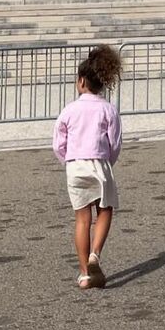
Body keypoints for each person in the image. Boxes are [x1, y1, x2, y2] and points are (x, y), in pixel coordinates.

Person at [52, 46, 124, 291]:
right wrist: (108, 161)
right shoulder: (108, 109)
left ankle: (84, 274)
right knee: (105, 209)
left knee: (82, 219)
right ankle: (95, 254)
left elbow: (58, 143)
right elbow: (115, 142)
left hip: (75, 164)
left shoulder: (69, 110)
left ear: (81, 81)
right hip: (99, 162)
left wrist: (67, 160)